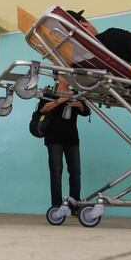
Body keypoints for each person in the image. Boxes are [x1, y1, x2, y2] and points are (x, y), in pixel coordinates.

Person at [38, 76, 90, 209]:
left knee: (75, 172)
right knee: (56, 172)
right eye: (63, 74)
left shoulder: (75, 94)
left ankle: (75, 206)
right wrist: (61, 100)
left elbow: (86, 111)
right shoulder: (49, 94)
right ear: (57, 77)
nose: (68, 77)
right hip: (54, 139)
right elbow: (43, 109)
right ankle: (56, 206)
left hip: (72, 139)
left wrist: (78, 104)